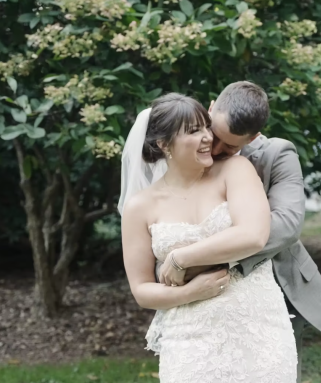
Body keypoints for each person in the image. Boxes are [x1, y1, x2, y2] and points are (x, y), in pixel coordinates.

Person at [119, 93, 297, 382]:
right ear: (164, 144)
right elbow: (141, 291)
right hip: (189, 337)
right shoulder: (139, 207)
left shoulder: (235, 170)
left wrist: (179, 258)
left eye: (205, 127)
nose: (207, 138)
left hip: (258, 327)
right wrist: (189, 293)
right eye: (193, 131)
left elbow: (253, 235)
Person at [181, 81, 321, 382]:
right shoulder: (188, 147)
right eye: (214, 135)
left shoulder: (278, 154)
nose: (214, 149)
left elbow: (286, 226)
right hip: (199, 295)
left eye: (229, 146)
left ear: (253, 137)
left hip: (274, 287)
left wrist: (207, 258)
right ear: (212, 105)